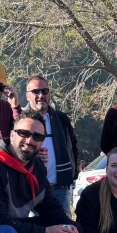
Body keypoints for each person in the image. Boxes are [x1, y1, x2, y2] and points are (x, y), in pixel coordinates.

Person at [23, 75, 78, 217]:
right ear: (27, 96)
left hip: (60, 187)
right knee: (38, 232)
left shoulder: (61, 119)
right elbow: (14, 152)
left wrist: (72, 174)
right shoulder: (22, 121)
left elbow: (72, 147)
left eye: (45, 91)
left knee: (66, 230)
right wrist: (33, 155)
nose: (41, 95)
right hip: (32, 188)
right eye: (36, 92)